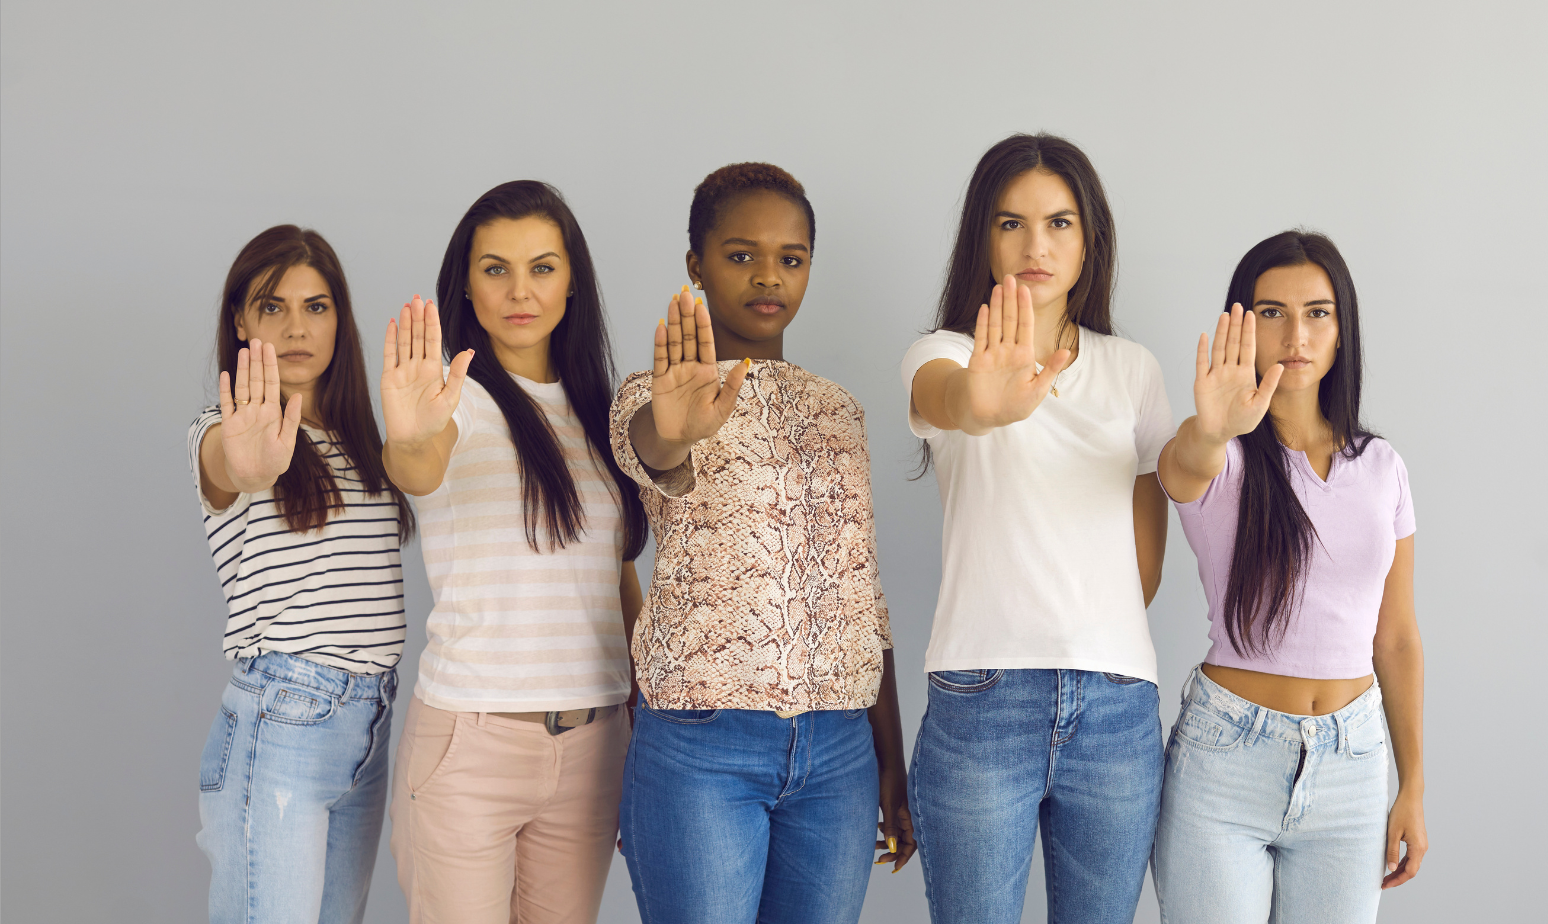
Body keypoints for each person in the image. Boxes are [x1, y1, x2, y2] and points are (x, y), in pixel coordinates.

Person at [611, 162, 912, 924]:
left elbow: (861, 594)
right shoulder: (655, 396)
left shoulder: (838, 411)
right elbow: (654, 450)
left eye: (791, 257)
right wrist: (674, 429)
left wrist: (890, 759)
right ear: (696, 266)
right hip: (702, 747)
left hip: (838, 754)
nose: (767, 276)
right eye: (740, 254)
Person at [901, 133, 1172, 924]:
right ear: (981, 239)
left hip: (1118, 704)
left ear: (1090, 240)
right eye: (1010, 223)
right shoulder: (946, 353)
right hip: (982, 695)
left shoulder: (1134, 370)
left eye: (1059, 223)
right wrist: (984, 404)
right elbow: (948, 399)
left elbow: (1143, 566)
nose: (1035, 245)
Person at [380, 180, 648, 924]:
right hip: (473, 741)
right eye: (495, 268)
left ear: (572, 281)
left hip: (593, 746)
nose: (519, 290)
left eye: (542, 266)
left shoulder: (602, 411)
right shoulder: (449, 399)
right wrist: (406, 434)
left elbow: (614, 569)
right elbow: (417, 467)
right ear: (466, 284)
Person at [1151, 230, 1426, 923]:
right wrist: (1213, 429)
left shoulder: (1382, 467)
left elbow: (1395, 639)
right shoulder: (1220, 455)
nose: (1295, 333)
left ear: (1342, 331)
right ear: (1241, 326)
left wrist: (1412, 782)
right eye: (1271, 312)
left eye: (1317, 313)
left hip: (1354, 763)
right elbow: (1180, 464)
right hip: (1226, 761)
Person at [191, 225, 413, 924]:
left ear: (339, 320)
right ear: (240, 320)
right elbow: (237, 467)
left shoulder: (363, 442)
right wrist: (252, 461)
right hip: (286, 716)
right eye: (272, 307)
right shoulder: (217, 430)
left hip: (370, 719)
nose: (296, 327)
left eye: (316, 307)